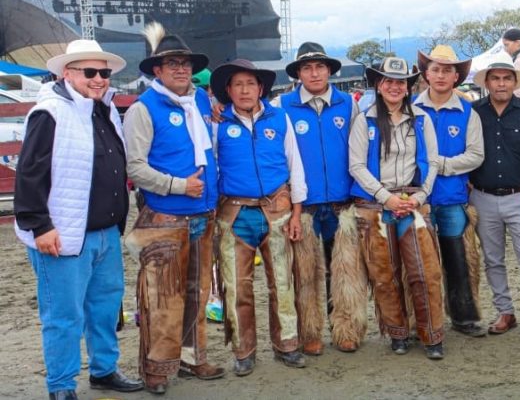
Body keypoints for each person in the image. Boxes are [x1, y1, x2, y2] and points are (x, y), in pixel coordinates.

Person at [15, 40, 143, 400]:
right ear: (67, 74)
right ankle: (61, 385)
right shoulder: (49, 113)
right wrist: (40, 226)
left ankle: (104, 370)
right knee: (63, 315)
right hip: (64, 235)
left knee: (104, 308)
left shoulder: (104, 110)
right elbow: (29, 173)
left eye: (104, 72)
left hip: (105, 231)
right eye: (90, 72)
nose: (99, 78)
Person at [123, 24, 224, 394]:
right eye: (172, 64)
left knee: (197, 291)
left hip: (203, 214)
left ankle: (192, 358)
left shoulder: (200, 102)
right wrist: (178, 185)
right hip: (166, 216)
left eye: (185, 63)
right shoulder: (143, 109)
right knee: (162, 298)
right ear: (157, 70)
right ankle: (156, 369)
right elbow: (135, 167)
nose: (181, 69)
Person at [210, 59, 308, 376]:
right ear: (228, 90)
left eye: (250, 84)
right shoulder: (217, 122)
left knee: (282, 281)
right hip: (234, 213)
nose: (244, 90)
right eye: (237, 84)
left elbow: (294, 164)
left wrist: (296, 212)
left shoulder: (279, 118)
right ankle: (244, 351)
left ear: (260, 88)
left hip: (277, 208)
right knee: (237, 286)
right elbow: (211, 166)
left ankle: (287, 344)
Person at [349, 57, 447, 359]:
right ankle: (397, 333)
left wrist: (421, 196)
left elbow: (432, 162)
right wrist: (385, 197)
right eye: (388, 81)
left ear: (408, 87)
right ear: (379, 85)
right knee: (384, 273)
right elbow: (356, 166)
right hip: (376, 204)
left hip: (412, 199)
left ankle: (432, 334)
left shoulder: (421, 119)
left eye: (400, 82)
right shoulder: (364, 120)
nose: (394, 87)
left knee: (425, 271)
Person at [275, 42, 367, 355]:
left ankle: (346, 329)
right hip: (304, 206)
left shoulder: (348, 104)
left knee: (346, 273)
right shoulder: (282, 106)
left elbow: (359, 151)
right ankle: (309, 332)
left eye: (320, 67)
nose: (314, 73)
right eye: (307, 68)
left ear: (329, 71)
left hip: (342, 203)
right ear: (298, 73)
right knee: (305, 273)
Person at [469, 53, 520, 345]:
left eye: (506, 78)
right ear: (487, 82)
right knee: (493, 260)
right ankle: (505, 312)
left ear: (515, 82)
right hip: (483, 196)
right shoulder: (474, 113)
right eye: (495, 78)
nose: (501, 83)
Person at [412, 45, 487, 337]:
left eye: (447, 70)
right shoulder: (411, 109)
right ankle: (420, 322)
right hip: (416, 199)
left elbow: (476, 155)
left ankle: (463, 317)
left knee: (457, 261)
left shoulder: (468, 112)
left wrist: (439, 165)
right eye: (435, 70)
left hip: (451, 197)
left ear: (456, 77)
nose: (441, 75)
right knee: (417, 263)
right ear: (426, 74)